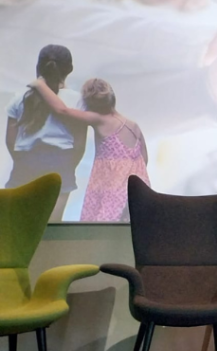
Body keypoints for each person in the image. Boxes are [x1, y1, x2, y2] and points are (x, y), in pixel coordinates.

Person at [29, 77, 149, 222]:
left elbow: (62, 110)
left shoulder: (99, 120)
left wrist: (41, 85)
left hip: (112, 190)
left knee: (100, 230)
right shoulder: (133, 125)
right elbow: (144, 159)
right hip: (137, 190)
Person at [5, 45, 86, 221]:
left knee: (19, 225)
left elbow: (10, 141)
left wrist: (23, 160)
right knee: (52, 229)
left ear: (39, 66)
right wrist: (69, 165)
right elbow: (80, 144)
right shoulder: (77, 100)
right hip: (61, 163)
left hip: (25, 163)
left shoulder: (20, 96)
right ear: (69, 69)